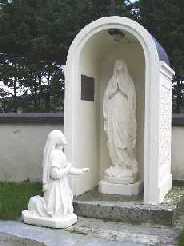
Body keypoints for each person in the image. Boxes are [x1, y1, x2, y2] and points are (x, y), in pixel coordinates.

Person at [26, 130, 89, 218]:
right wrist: (67, 169)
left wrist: (80, 171)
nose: (65, 138)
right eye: (63, 137)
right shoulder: (55, 154)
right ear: (57, 140)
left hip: (62, 185)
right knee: (57, 208)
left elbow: (68, 168)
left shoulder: (60, 153)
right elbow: (55, 175)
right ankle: (38, 206)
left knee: (62, 207)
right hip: (56, 187)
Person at [103, 59, 138, 183]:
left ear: (124, 67)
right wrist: (113, 90)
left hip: (124, 115)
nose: (118, 69)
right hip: (113, 115)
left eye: (120, 66)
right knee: (113, 138)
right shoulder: (111, 81)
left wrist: (122, 89)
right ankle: (117, 164)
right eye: (116, 66)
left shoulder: (128, 81)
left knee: (123, 138)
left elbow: (132, 97)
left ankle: (126, 165)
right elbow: (106, 96)